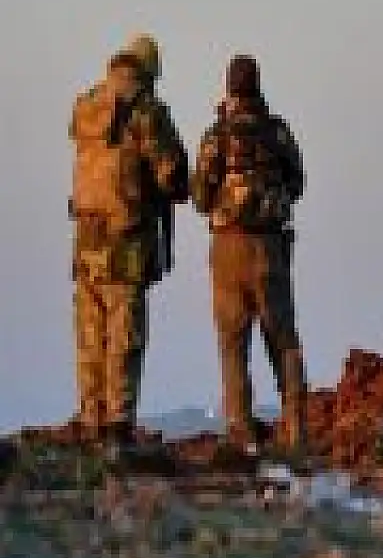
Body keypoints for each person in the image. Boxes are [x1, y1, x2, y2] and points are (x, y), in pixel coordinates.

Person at [68, 34, 189, 443]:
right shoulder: (146, 111)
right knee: (125, 335)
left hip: (85, 238)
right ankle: (118, 426)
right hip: (127, 240)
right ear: (149, 72)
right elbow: (172, 175)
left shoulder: (88, 105)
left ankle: (90, 418)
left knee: (90, 334)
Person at [191, 54, 308, 453]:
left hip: (228, 247)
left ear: (228, 87)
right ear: (257, 85)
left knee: (232, 342)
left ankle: (241, 431)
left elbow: (200, 196)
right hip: (270, 246)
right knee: (283, 338)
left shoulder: (216, 135)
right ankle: (296, 427)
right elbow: (297, 182)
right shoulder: (277, 131)